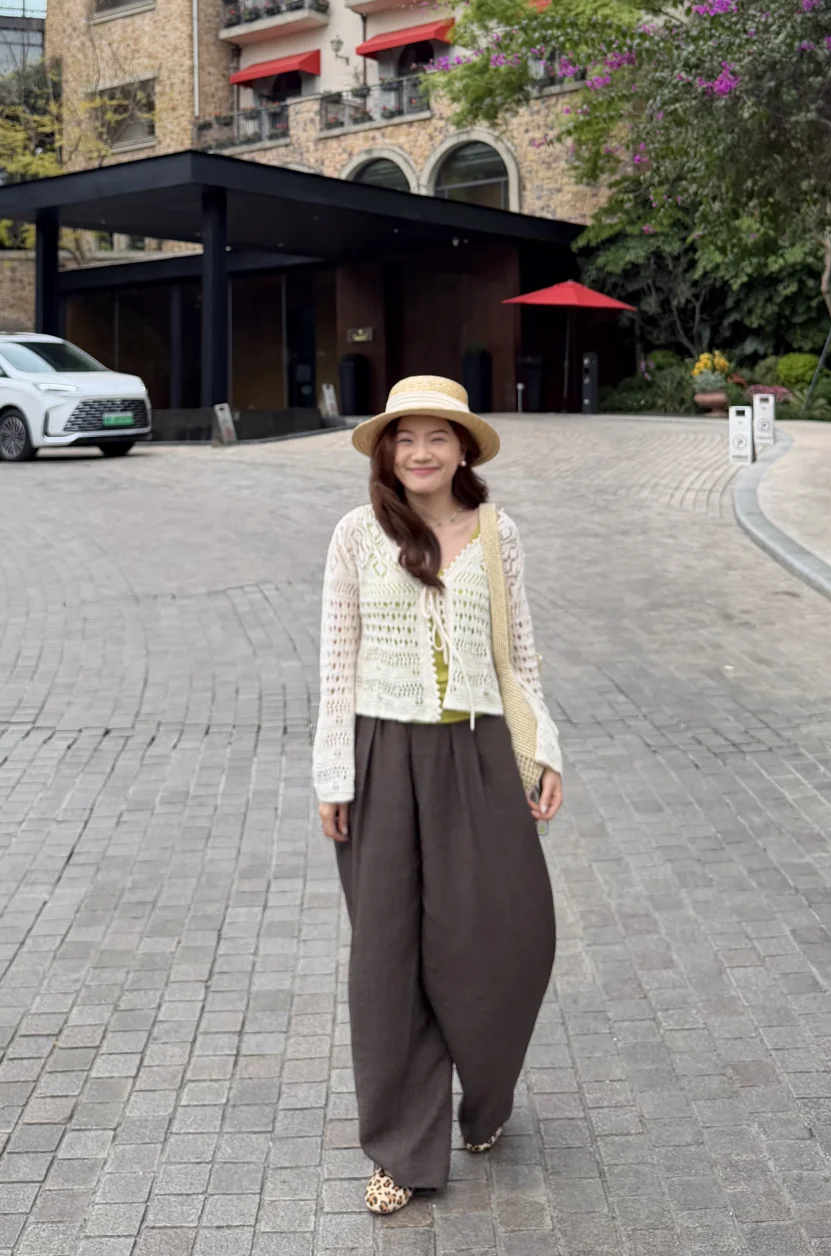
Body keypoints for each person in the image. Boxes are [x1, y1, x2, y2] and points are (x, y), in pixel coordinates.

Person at [313, 374, 563, 1214]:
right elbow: (335, 661)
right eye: (406, 438)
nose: (420, 453)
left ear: (463, 450)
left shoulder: (498, 534)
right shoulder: (357, 533)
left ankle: (487, 1096)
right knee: (388, 958)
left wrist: (544, 751)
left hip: (479, 754)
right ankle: (401, 1151)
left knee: (509, 937)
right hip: (381, 755)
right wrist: (333, 774)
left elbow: (519, 655)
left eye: (437, 437)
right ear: (387, 451)